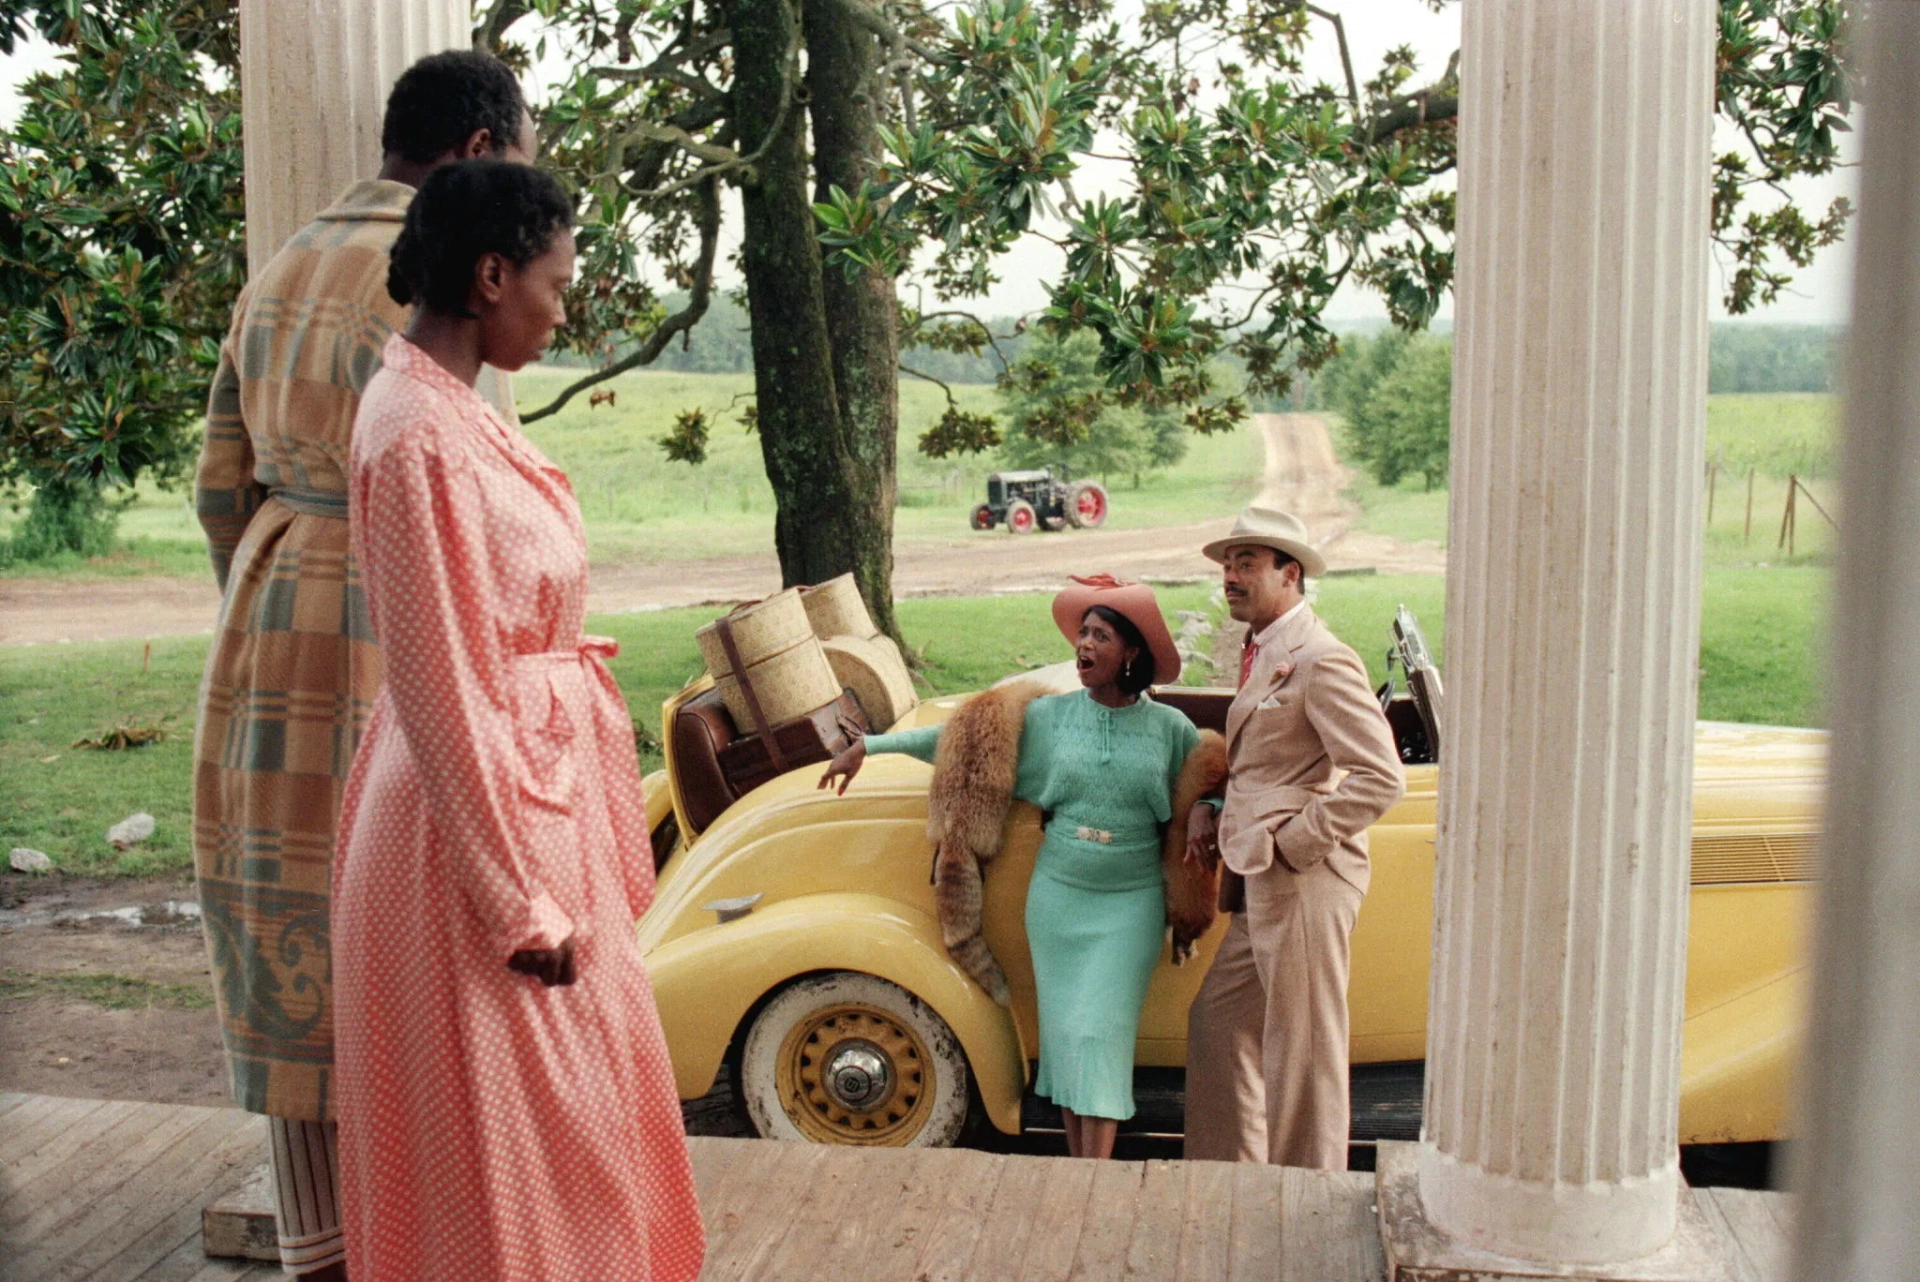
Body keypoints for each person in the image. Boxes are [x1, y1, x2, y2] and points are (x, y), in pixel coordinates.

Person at [189, 50, 533, 1281]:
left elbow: (218, 486)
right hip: (396, 625)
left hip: (269, 624)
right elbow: (485, 506)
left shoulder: (276, 266)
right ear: (483, 151)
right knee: (421, 946)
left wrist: (275, 572)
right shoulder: (451, 276)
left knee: (293, 942)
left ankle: (316, 1249)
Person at [328, 159, 704, 1281]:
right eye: (555, 280)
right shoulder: (414, 435)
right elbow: (439, 681)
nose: (563, 304)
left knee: (570, 1132)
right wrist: (514, 900)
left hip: (527, 796)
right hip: (477, 838)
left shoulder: (449, 409)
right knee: (518, 1145)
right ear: (492, 275)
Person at [821, 576, 1201, 1159]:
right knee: (1069, 1042)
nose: (1084, 646)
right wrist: (868, 748)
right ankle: (1082, 1173)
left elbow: (1204, 788)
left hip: (1129, 904)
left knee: (1100, 1036)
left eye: (1101, 636)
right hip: (1059, 900)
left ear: (1132, 652)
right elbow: (958, 741)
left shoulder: (1169, 729)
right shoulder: (1048, 719)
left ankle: (1089, 1182)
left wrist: (1213, 810)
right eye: (1082, 634)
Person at [1181, 506, 1405, 1169]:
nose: (1230, 576)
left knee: (1303, 1053)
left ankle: (1307, 1200)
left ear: (1291, 573)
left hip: (1303, 881)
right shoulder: (1265, 650)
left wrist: (1293, 842)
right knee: (1217, 1028)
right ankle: (1231, 1183)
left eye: (1247, 563)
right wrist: (1217, 802)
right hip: (1258, 882)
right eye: (1227, 564)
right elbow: (1264, 762)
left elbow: (1380, 776)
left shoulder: (1321, 658)